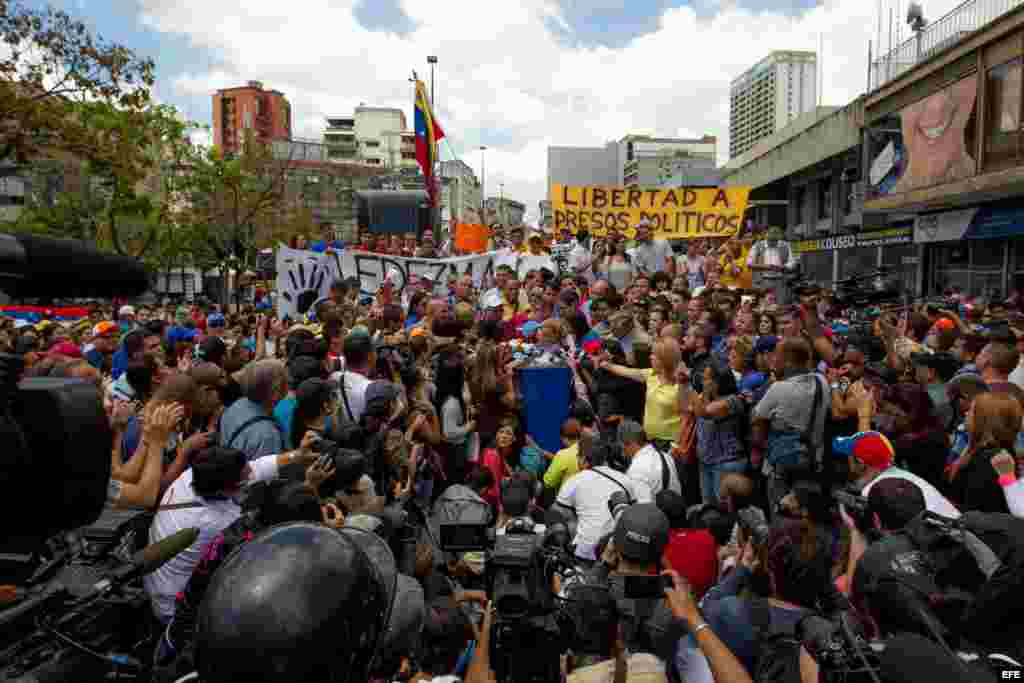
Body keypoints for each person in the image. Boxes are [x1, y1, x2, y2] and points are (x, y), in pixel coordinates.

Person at [834, 430, 960, 518]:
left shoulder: (874, 494)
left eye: (849, 455)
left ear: (861, 462)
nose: (846, 460)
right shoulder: (899, 474)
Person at [554, 437, 641, 563]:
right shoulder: (625, 480)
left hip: (584, 552)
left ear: (583, 459)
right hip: (617, 553)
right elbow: (633, 512)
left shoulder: (573, 482)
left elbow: (559, 514)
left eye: (578, 456)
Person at [218, 359, 288, 461]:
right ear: (275, 393)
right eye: (286, 381)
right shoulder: (267, 436)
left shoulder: (236, 406)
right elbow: (266, 474)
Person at [620, 419, 681, 502]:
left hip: (655, 512)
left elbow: (643, 507)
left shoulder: (636, 469)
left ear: (631, 443)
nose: (623, 452)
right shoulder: (667, 457)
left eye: (623, 446)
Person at [746, 226, 797, 304]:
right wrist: (766, 267)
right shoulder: (757, 246)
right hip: (762, 281)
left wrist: (783, 267)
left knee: (780, 304)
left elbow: (793, 262)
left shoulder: (785, 245)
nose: (773, 242)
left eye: (775, 240)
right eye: (770, 240)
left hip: (780, 281)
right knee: (763, 304)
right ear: (766, 237)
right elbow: (749, 263)